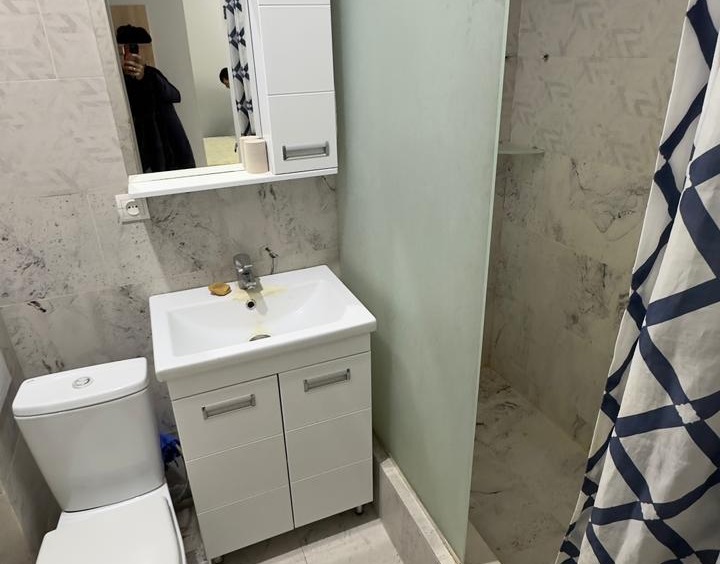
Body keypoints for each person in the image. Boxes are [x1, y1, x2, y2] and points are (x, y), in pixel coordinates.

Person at [117, 25, 195, 173]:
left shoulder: (152, 74)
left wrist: (145, 77)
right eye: (127, 50)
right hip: (141, 145)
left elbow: (175, 95)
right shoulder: (117, 80)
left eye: (137, 49)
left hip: (168, 141)